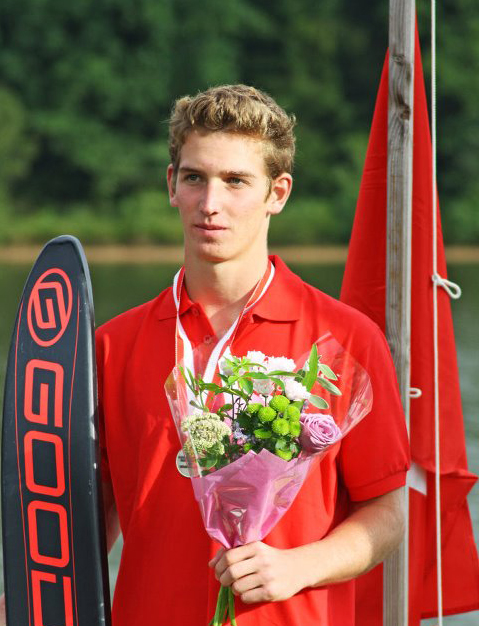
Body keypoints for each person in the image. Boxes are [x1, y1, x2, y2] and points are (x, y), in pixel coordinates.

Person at [0, 85, 408, 626]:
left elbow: (388, 512)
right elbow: (93, 515)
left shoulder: (345, 338)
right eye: (195, 178)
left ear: (278, 192)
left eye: (236, 181)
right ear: (172, 184)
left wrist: (300, 566)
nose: (210, 203)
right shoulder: (111, 345)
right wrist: (29, 605)